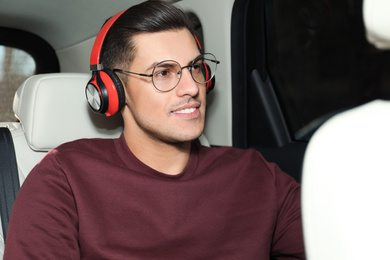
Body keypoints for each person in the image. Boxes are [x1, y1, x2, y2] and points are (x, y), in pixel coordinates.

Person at [4, 0, 305, 259]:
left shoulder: (256, 175)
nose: (192, 87)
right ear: (113, 90)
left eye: (196, 67)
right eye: (163, 72)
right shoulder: (64, 178)